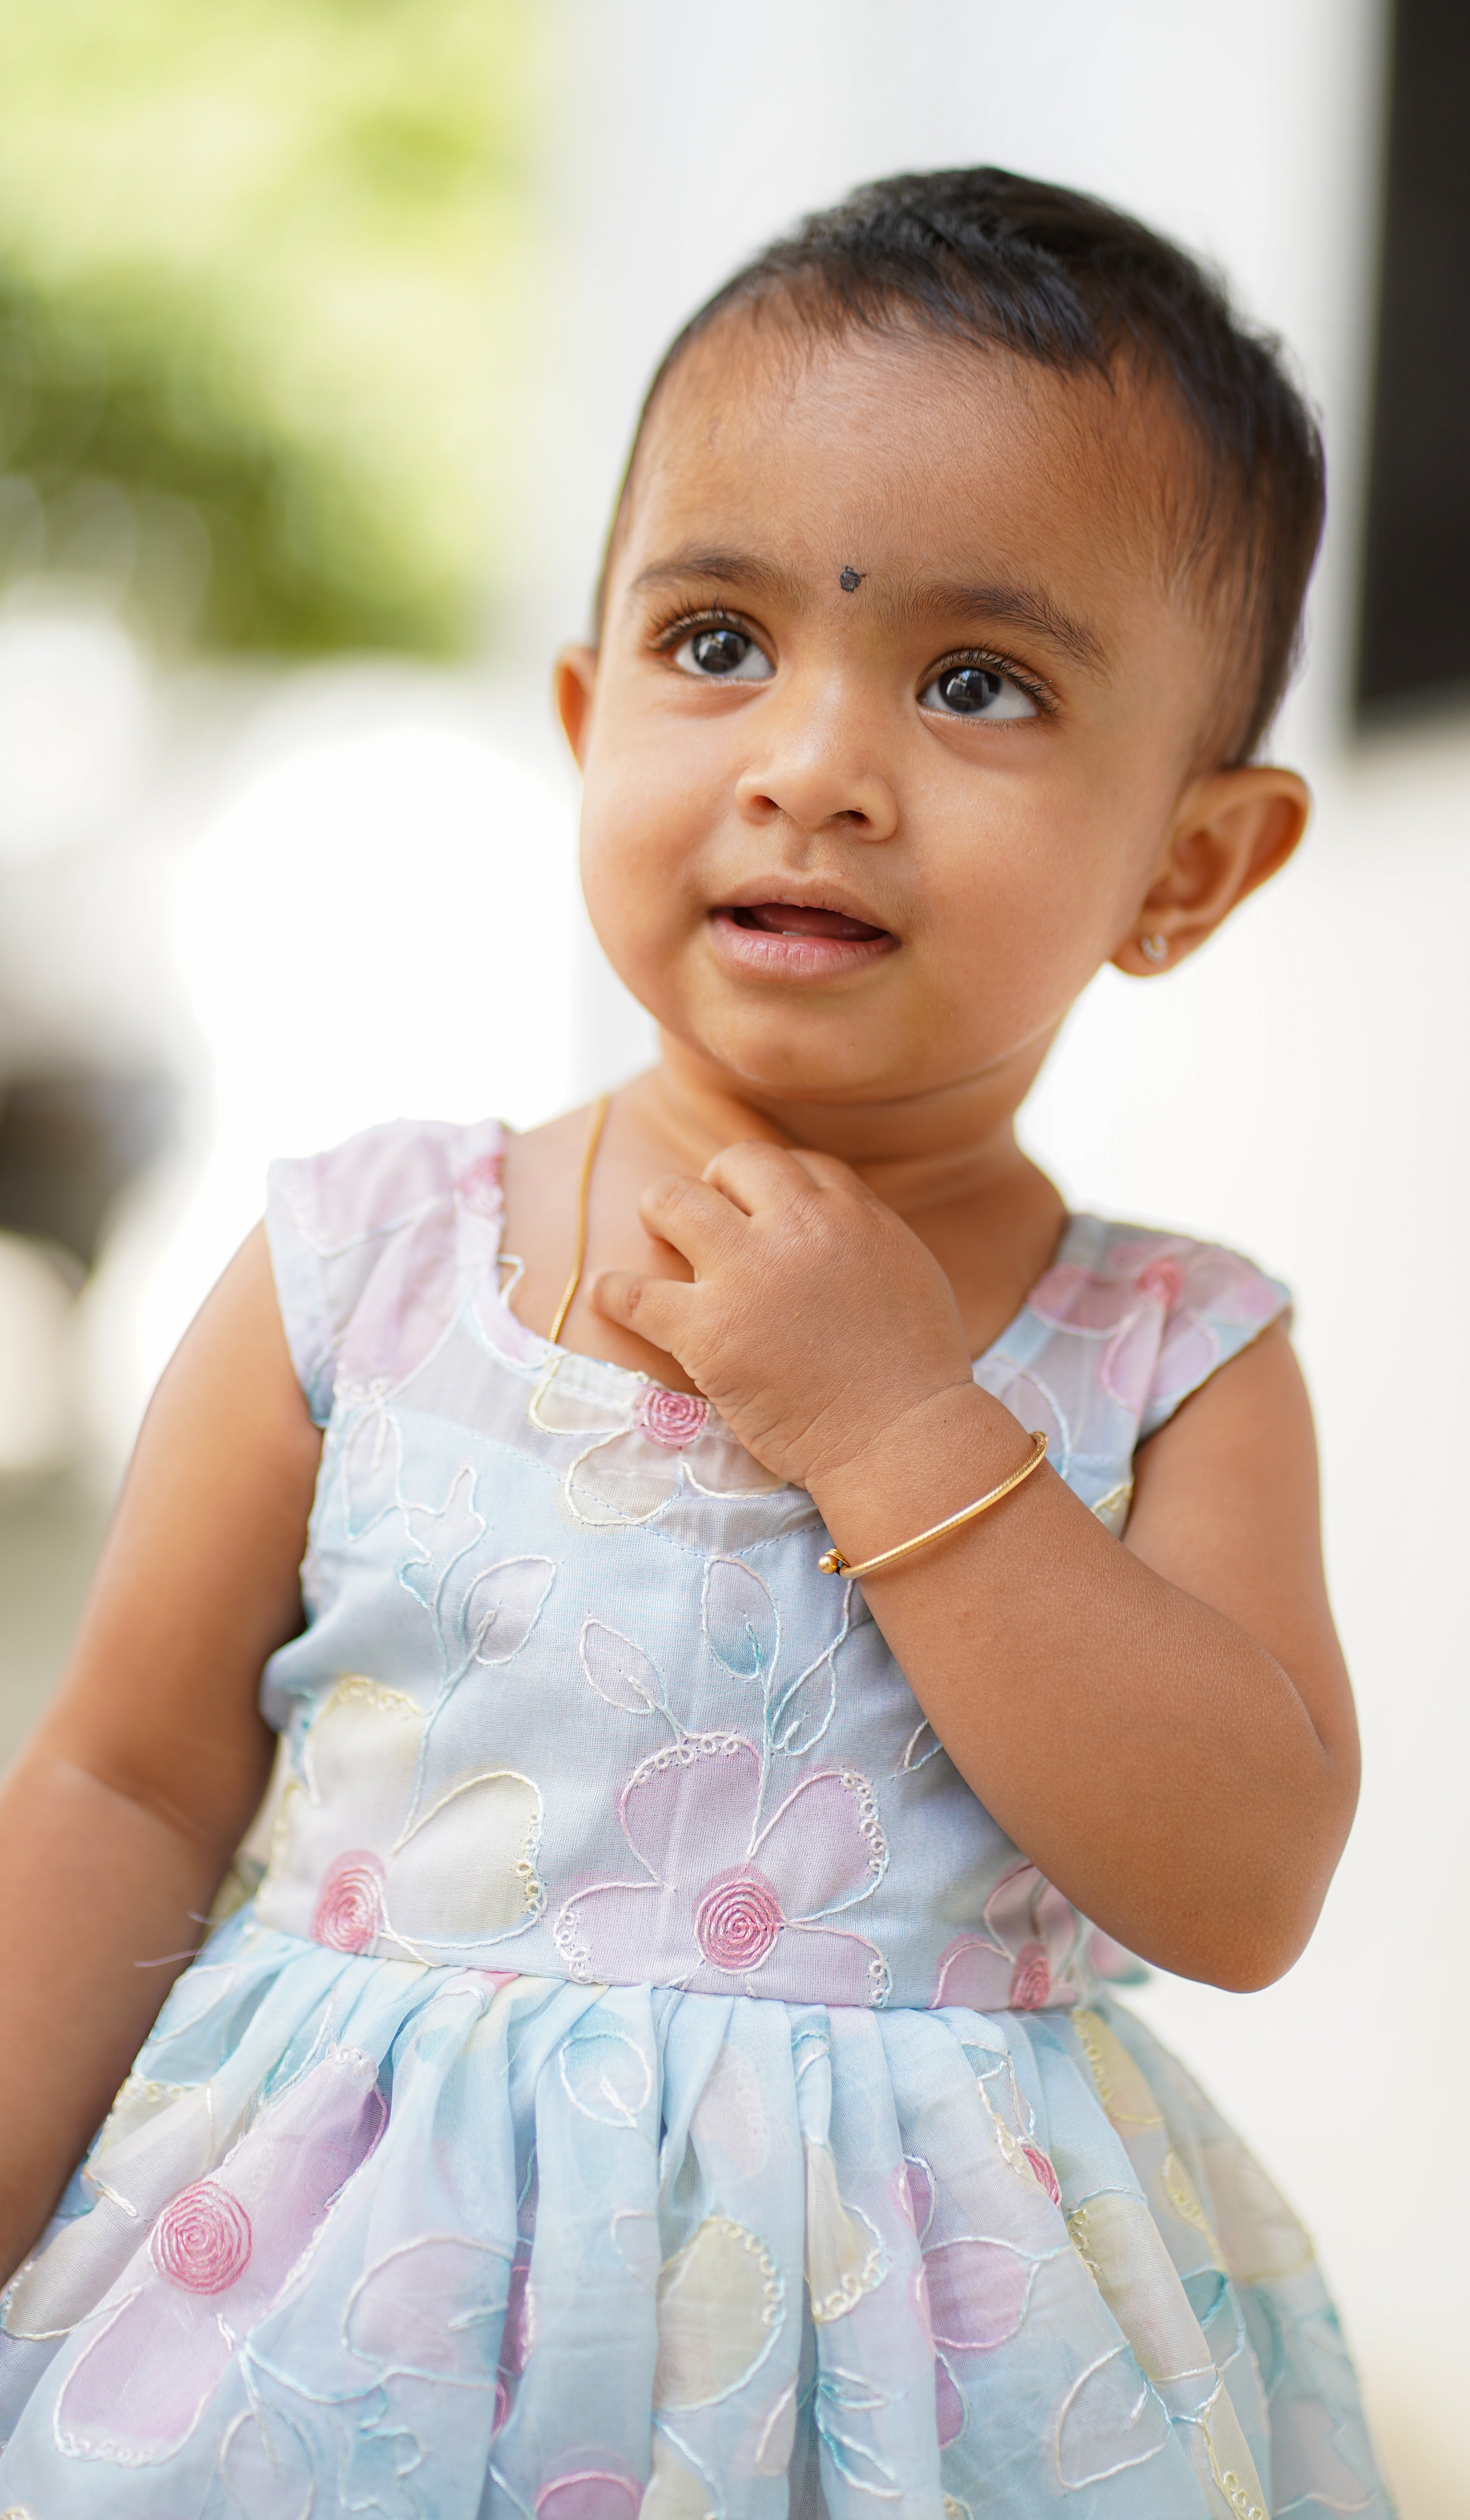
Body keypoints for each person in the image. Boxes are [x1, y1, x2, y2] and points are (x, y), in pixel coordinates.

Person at [0, 169, 1393, 2519]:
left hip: (949, 2411)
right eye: (718, 644)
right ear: (586, 713)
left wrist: (891, 1415)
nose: (814, 764)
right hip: (331, 2355)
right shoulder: (368, 1270)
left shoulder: (1172, 1355)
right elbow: (124, 1791)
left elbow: (1241, 1881)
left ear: (1191, 865)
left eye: (978, 684)